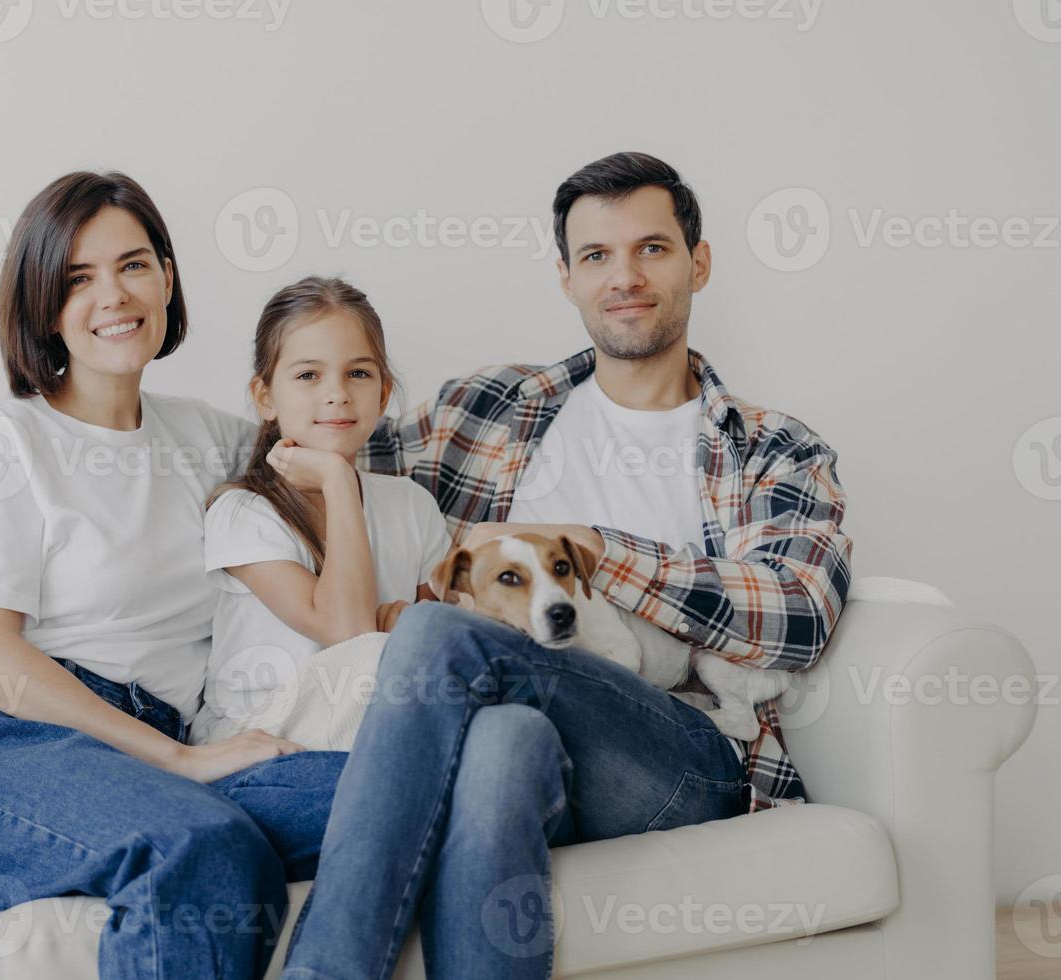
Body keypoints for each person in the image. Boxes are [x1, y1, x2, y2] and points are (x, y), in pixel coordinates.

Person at [280, 152, 854, 980]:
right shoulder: (484, 410)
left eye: (651, 249)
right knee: (506, 737)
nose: (624, 276)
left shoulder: (770, 448)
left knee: (445, 633)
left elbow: (796, 613)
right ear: (566, 277)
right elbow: (310, 432)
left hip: (675, 757)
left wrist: (589, 547)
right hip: (523, 751)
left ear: (699, 262)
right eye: (596, 256)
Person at [0, 170, 347, 980]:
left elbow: (338, 421)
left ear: (167, 277)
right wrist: (179, 764)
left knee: (409, 786)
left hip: (159, 759)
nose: (114, 295)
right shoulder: (4, 442)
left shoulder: (210, 439)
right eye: (77, 278)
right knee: (203, 847)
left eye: (133, 265)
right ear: (43, 305)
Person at [191, 275, 451, 749]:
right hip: (264, 735)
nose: (337, 393)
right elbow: (349, 636)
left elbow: (435, 644)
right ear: (265, 396)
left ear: (384, 391)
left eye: (358, 373)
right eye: (308, 375)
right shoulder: (242, 512)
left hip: (375, 726)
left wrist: (415, 626)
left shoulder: (412, 504)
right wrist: (337, 481)